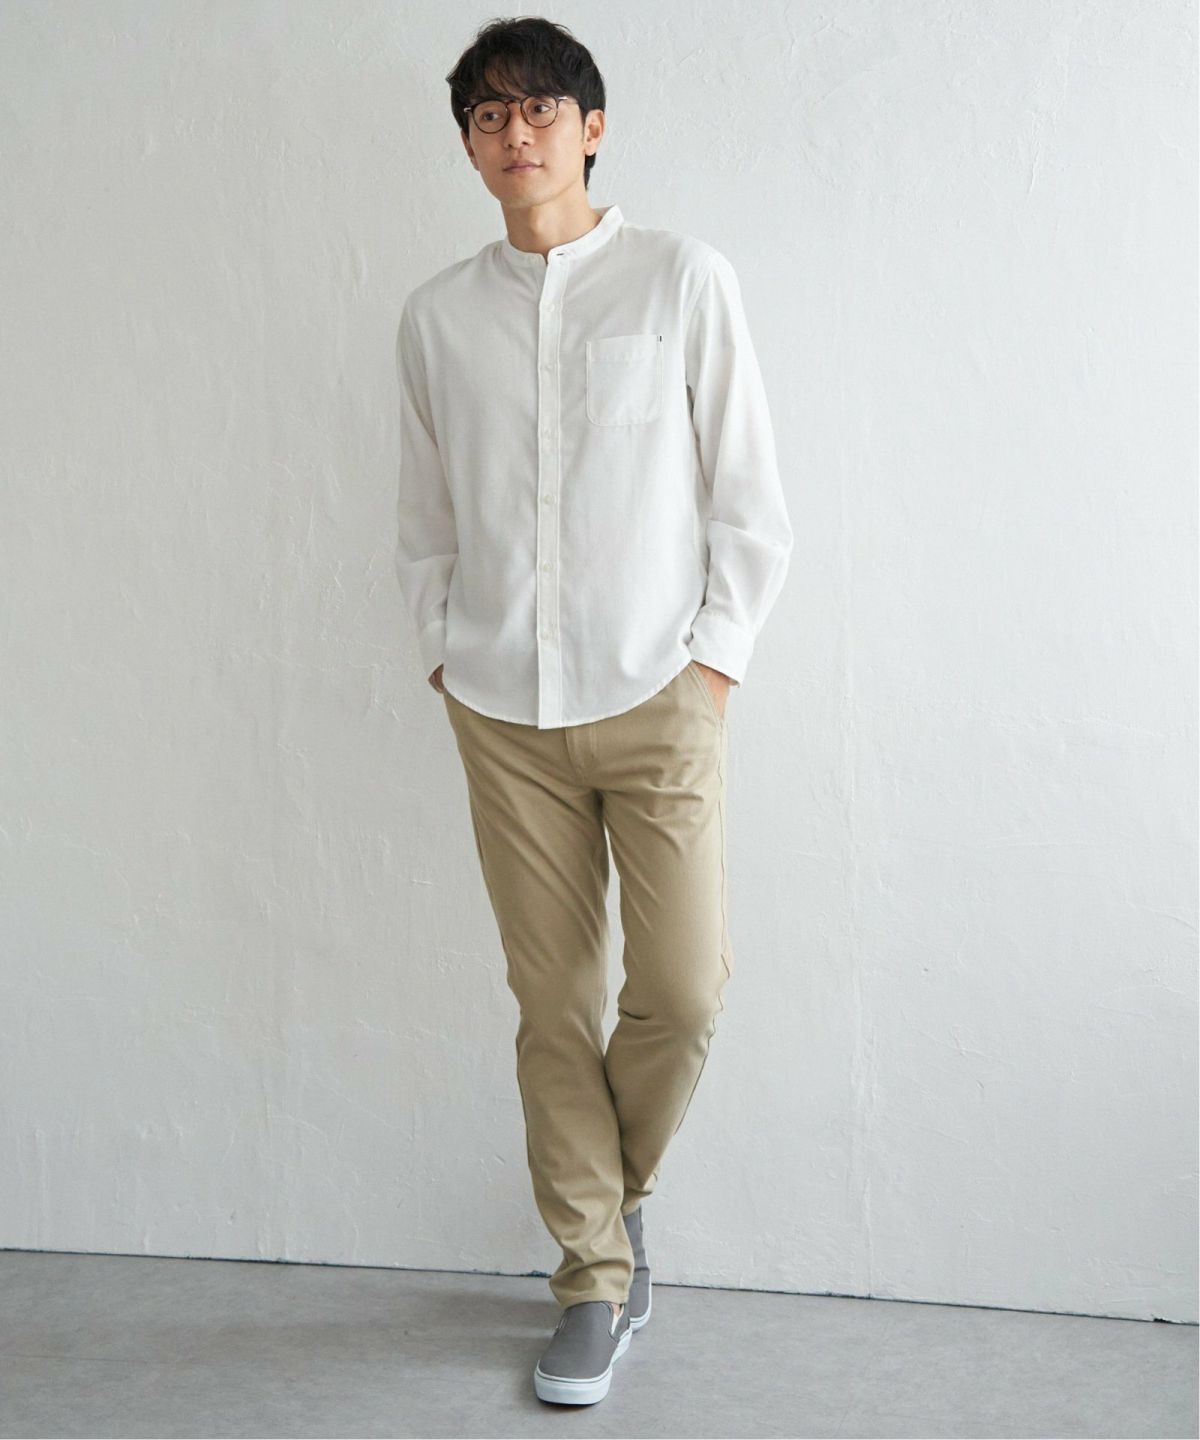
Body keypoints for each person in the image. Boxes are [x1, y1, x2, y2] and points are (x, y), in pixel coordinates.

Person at [393, 16, 793, 1407]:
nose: (518, 134)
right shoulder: (437, 317)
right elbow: (425, 520)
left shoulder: (682, 278)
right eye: (489, 116)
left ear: (593, 127)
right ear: (468, 145)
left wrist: (714, 665)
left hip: (659, 692)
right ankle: (592, 1280)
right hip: (502, 708)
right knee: (553, 1002)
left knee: (683, 991)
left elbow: (750, 499)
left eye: (542, 109)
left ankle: (613, 1202)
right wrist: (442, 649)